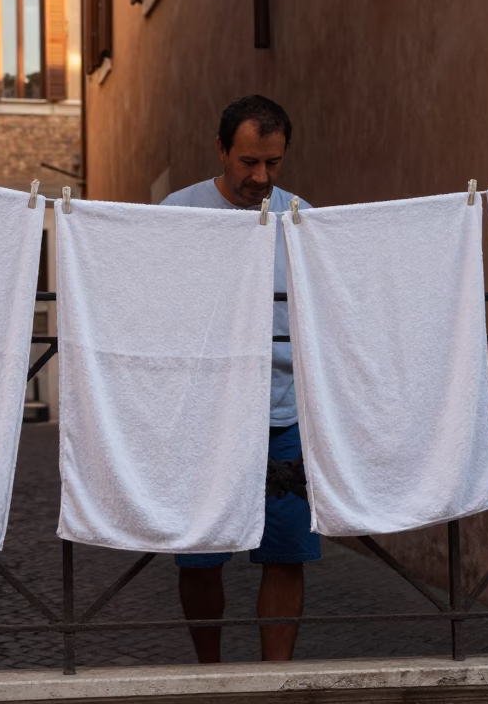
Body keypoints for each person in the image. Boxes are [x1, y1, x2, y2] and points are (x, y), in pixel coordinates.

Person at [160, 94, 320, 662]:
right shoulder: (179, 214)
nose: (261, 177)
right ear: (222, 149)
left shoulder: (300, 217)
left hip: (285, 411)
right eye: (249, 161)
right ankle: (211, 677)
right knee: (201, 553)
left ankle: (273, 683)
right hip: (205, 415)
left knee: (286, 552)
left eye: (273, 163)